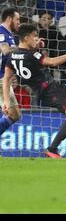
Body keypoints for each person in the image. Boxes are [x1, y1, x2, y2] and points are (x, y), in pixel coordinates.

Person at [2, 24, 66, 158]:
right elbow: (51, 62)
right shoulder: (32, 54)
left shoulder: (12, 55)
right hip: (49, 90)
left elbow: (6, 79)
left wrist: (6, 100)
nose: (36, 38)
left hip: (52, 87)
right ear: (27, 38)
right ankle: (52, 149)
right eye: (34, 36)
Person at [0, 8, 21, 137]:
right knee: (13, 114)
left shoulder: (9, 34)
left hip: (4, 78)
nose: (19, 22)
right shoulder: (1, 32)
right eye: (17, 19)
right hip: (0, 79)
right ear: (9, 19)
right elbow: (5, 50)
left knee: (14, 114)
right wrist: (25, 47)